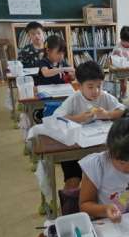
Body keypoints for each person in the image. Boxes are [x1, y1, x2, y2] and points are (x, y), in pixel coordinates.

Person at [53, 60, 124, 189]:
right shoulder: (74, 99)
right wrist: (78, 118)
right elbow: (56, 118)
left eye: (99, 86)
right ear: (80, 86)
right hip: (74, 149)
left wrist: (107, 114)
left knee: (108, 177)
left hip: (98, 147)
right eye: (90, 87)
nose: (96, 91)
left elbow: (122, 110)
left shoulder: (104, 96)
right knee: (72, 182)